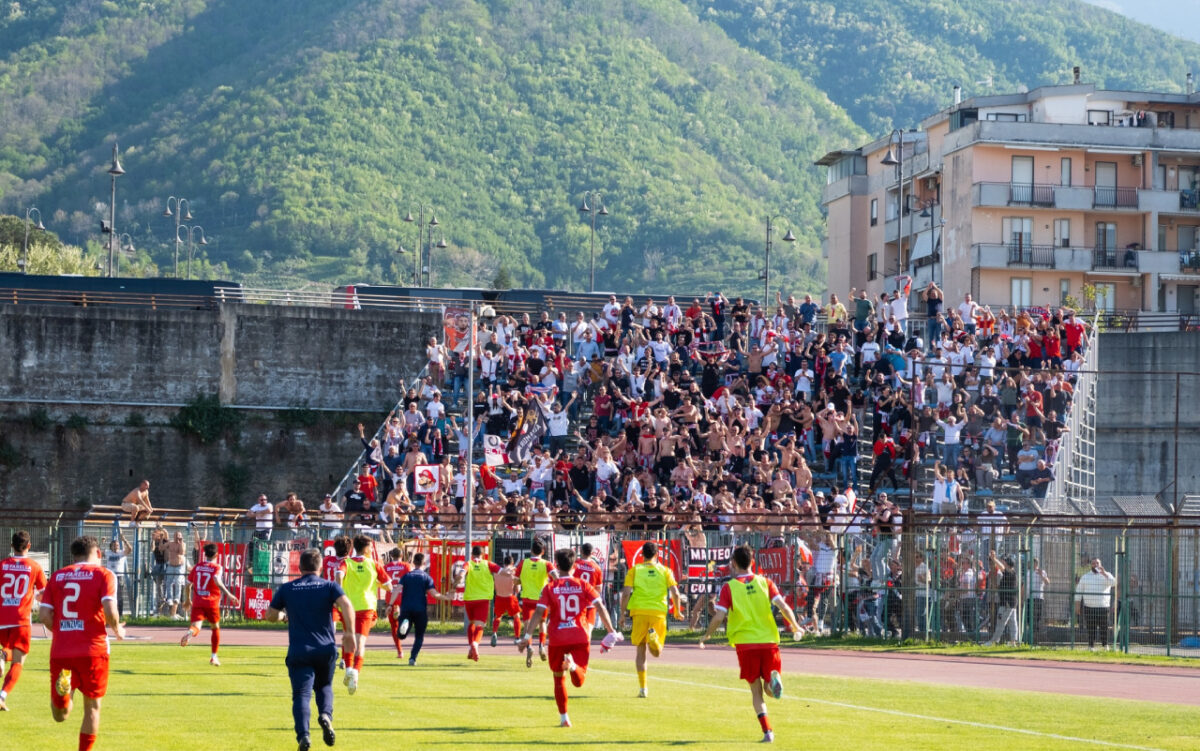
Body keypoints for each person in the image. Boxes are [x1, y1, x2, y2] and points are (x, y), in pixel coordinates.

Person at [699, 544, 802, 744]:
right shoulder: (766, 582)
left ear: (734, 563)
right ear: (752, 562)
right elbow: (783, 607)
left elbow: (719, 616)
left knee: (756, 692)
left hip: (746, 644)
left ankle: (768, 732)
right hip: (769, 641)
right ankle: (774, 682)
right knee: (770, 691)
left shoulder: (729, 587)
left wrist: (706, 635)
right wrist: (796, 626)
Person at [39, 536, 125, 751]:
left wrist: (62, 631)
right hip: (93, 650)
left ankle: (63, 694)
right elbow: (109, 610)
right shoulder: (103, 574)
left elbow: (44, 614)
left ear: (73, 555)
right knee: (93, 708)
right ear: (97, 553)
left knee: (61, 715)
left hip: (61, 650)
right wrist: (117, 629)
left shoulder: (58, 576)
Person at [518, 548, 620, 728]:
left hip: (557, 637)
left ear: (557, 566)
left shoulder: (550, 587)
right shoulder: (583, 585)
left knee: (558, 678)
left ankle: (564, 718)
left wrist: (527, 636)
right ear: (574, 566)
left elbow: (539, 612)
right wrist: (610, 630)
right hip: (579, 635)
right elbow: (600, 607)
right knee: (579, 681)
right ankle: (573, 666)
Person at [266, 549, 356, 751]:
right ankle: (325, 715)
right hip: (325, 648)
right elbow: (347, 605)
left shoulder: (288, 588)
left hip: (300, 650)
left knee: (301, 694)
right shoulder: (329, 586)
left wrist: (282, 617)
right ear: (321, 567)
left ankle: (304, 736)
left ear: (299, 567)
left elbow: (270, 614)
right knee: (324, 686)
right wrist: (349, 633)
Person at [619, 541, 685, 698]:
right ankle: (653, 637)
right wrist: (677, 610)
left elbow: (626, 592)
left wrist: (622, 613)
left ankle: (643, 689)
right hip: (658, 612)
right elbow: (675, 593)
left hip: (639, 612)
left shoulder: (635, 570)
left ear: (642, 555)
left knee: (640, 650)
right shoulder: (665, 570)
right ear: (657, 555)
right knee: (656, 652)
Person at [0, 530, 47, 710]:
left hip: (2, 617)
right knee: (19, 661)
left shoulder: (2, 564)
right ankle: (2, 695)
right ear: (29, 546)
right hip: (20, 619)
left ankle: (3, 655)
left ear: (12, 546)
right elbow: (44, 593)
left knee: (10, 650)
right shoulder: (34, 566)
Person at [339, 535, 389, 693]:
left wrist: (339, 593)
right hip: (366, 607)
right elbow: (389, 586)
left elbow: (339, 575)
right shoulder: (374, 564)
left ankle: (348, 669)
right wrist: (377, 583)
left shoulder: (346, 562)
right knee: (360, 643)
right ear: (366, 548)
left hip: (348, 607)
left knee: (348, 638)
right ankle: (355, 673)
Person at [179, 543, 238, 666]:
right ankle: (213, 657)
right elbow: (217, 580)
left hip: (198, 602)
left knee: (196, 627)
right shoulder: (216, 567)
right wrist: (229, 594)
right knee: (215, 628)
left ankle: (190, 632)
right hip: (211, 603)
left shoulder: (197, 567)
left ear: (205, 554)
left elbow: (188, 584)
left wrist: (187, 600)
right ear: (216, 555)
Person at [388, 553, 451, 666]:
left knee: (401, 635)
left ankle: (405, 625)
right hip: (420, 610)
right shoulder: (426, 577)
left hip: (406, 608)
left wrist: (390, 605)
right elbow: (434, 594)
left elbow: (397, 590)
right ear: (424, 563)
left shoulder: (406, 576)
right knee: (419, 636)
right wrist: (446, 597)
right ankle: (412, 658)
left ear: (413, 563)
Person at [515, 539, 553, 667]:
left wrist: (522, 581)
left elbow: (515, 580)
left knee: (527, 624)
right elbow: (556, 577)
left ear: (531, 550)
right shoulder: (547, 564)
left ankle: (529, 646)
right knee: (542, 623)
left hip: (527, 598)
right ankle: (542, 645)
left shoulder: (523, 563)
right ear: (543, 551)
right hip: (542, 599)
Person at [461, 545, 502, 661]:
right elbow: (501, 571)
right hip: (483, 599)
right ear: (483, 554)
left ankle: (470, 647)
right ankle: (475, 644)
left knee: (471, 623)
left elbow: (462, 572)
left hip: (469, 599)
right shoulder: (488, 564)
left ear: (472, 554)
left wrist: (460, 576)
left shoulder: (468, 563)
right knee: (480, 625)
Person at [1076, 557, 1117, 650]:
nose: (1096, 565)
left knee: (1104, 627)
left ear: (1101, 564)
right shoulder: (1086, 577)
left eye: (1097, 563)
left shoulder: (1107, 575)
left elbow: (1114, 583)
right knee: (1091, 628)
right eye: (1093, 563)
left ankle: (1105, 645)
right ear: (1091, 565)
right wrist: (1077, 605)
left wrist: (1104, 573)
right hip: (1089, 607)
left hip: (1103, 607)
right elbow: (1078, 591)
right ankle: (1091, 646)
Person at [382, 548, 411, 658]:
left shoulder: (386, 567)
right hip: (402, 595)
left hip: (390, 597)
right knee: (406, 618)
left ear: (391, 556)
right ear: (402, 555)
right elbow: (410, 579)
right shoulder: (406, 566)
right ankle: (404, 620)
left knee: (394, 626)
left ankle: (400, 651)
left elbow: (382, 581)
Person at [490, 555, 520, 647]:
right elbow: (517, 589)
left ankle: (494, 633)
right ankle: (517, 638)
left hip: (499, 596)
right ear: (512, 563)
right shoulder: (513, 573)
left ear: (504, 563)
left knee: (498, 616)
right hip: (510, 597)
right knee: (516, 617)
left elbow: (494, 587)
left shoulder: (497, 573)